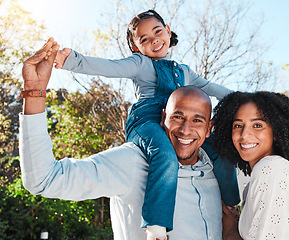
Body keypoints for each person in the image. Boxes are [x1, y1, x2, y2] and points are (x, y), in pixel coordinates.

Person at [54, 10, 239, 239]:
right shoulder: (140, 64)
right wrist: (72, 60)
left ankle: (231, 204)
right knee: (164, 155)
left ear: (168, 31)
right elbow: (108, 67)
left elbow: (213, 89)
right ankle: (156, 226)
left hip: (178, 122)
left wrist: (249, 101)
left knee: (222, 149)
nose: (154, 40)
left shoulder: (184, 72)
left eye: (157, 32)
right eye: (144, 39)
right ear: (136, 48)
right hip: (147, 122)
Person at [211, 91, 289, 240]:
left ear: (276, 132)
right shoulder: (265, 174)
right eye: (238, 125)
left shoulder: (270, 169)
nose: (244, 134)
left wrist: (230, 232)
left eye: (257, 125)